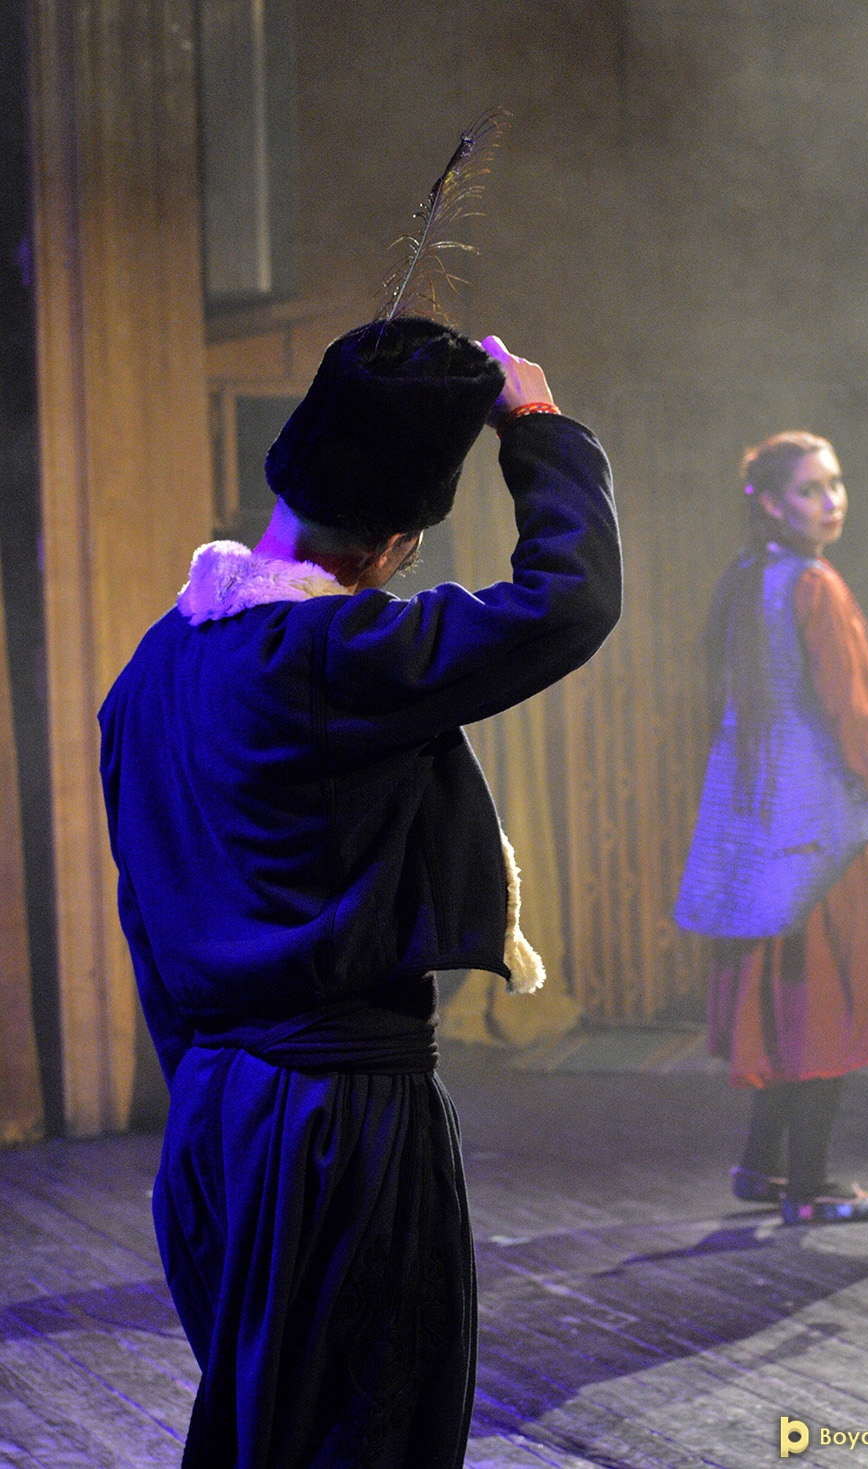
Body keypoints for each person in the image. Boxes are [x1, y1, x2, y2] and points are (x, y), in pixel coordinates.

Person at [98, 316, 621, 1467]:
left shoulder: (151, 667)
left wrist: (212, 1096)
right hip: (338, 1119)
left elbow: (149, 917)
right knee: (367, 1434)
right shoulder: (326, 652)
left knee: (269, 1427)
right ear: (394, 543)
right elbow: (568, 601)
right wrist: (536, 424)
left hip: (214, 1111)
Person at [674, 431, 868, 1226]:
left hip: (762, 827)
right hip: (819, 833)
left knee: (786, 999)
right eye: (810, 489)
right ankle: (813, 1185)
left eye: (835, 483)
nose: (831, 501)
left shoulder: (747, 578)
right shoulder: (813, 585)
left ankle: (763, 1166)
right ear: (769, 502)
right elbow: (859, 720)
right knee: (822, 1000)